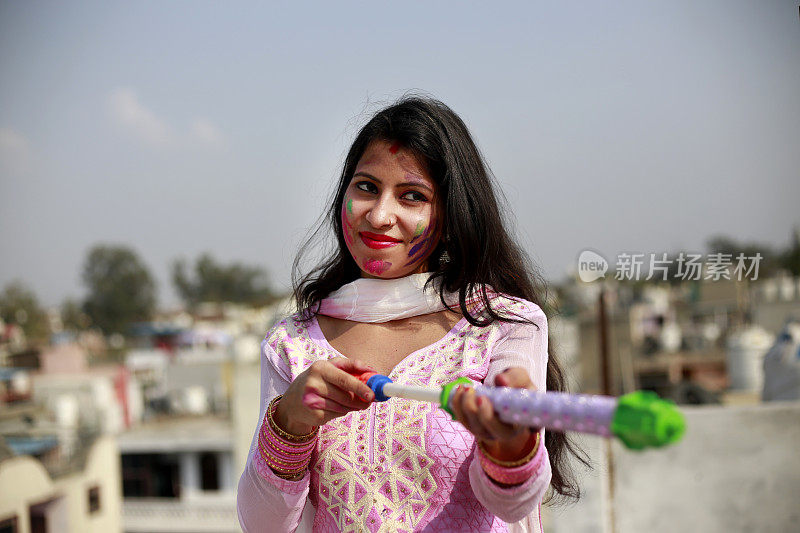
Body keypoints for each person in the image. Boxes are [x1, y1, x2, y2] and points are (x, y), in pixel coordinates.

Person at [237, 96, 583, 532]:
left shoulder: (503, 326)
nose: (380, 215)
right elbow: (262, 525)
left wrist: (510, 442)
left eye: (412, 196)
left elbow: (514, 507)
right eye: (366, 187)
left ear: (450, 216)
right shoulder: (292, 343)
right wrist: (289, 422)